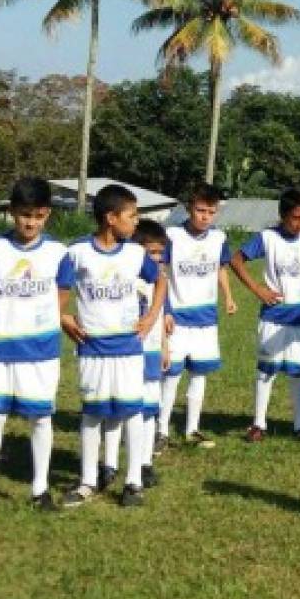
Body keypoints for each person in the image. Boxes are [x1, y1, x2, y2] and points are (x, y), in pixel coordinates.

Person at [0, 177, 75, 517]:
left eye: (38, 215)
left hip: (41, 352)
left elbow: (62, 294)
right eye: (24, 214)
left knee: (40, 418)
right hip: (0, 349)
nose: (31, 222)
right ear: (12, 212)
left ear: (48, 215)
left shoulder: (59, 253)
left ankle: (40, 489)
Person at [60, 184, 159, 509]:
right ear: (110, 218)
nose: (136, 221)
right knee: (93, 414)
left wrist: (150, 318)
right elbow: (57, 285)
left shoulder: (135, 253)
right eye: (131, 215)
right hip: (92, 348)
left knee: (131, 412)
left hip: (128, 348)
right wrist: (64, 316)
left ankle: (133, 482)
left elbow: (161, 280)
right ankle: (89, 480)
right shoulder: (77, 252)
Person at [229, 187, 300, 441]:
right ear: (283, 215)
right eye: (295, 218)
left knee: (298, 373)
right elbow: (236, 260)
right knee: (265, 371)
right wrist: (258, 289)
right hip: (272, 317)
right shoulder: (267, 238)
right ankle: (259, 424)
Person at [158, 183, 237, 450]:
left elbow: (221, 269)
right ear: (189, 208)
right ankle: (161, 430)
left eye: (210, 212)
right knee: (171, 375)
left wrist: (228, 297)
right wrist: (164, 309)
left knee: (199, 375)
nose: (205, 216)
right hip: (178, 317)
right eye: (200, 210)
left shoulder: (219, 238)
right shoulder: (172, 235)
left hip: (206, 318)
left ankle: (192, 428)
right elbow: (161, 271)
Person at [99, 219, 168, 490]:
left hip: (149, 352)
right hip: (125, 353)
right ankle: (110, 464)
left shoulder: (160, 282)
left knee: (149, 411)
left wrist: (164, 345)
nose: (157, 259)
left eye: (160, 253)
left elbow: (161, 315)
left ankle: (143, 462)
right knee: (117, 410)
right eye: (151, 253)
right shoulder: (123, 277)